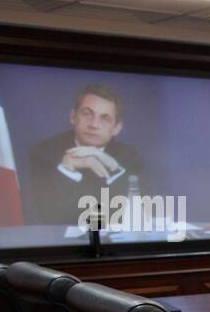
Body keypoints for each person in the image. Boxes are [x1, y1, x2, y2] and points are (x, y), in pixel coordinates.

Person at [28, 84, 146, 226]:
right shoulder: (44, 152)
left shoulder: (129, 156)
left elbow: (143, 214)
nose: (94, 124)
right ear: (73, 117)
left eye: (105, 118)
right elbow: (47, 216)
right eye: (87, 114)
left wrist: (114, 169)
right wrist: (67, 170)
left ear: (116, 128)